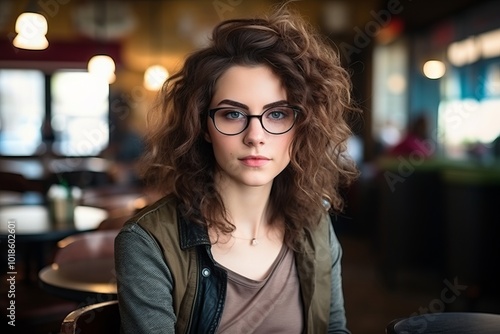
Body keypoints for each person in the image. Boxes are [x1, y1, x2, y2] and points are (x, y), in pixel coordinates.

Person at [114, 4, 359, 333]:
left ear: (303, 126)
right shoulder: (148, 242)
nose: (255, 137)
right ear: (203, 125)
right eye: (232, 114)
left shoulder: (316, 225)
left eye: (277, 114)